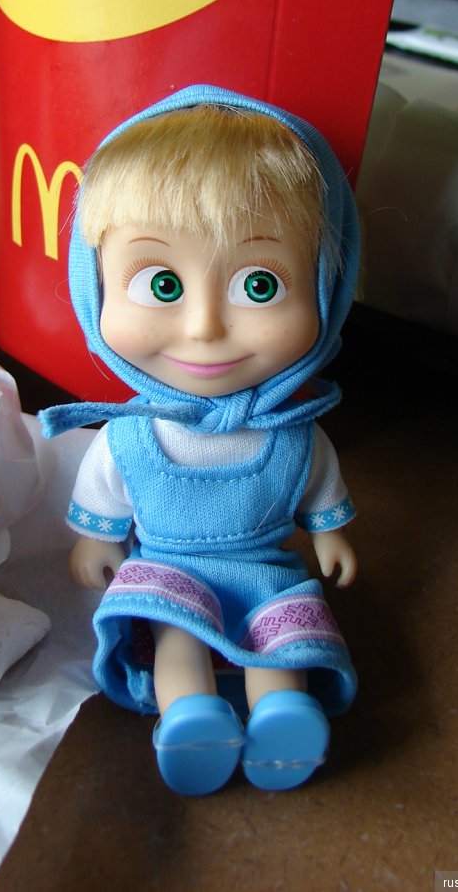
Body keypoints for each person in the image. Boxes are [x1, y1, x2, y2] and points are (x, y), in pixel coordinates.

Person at [41, 84, 360, 796]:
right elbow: (105, 493)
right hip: (170, 565)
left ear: (325, 288)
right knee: (176, 633)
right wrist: (97, 539)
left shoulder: (294, 432)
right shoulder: (129, 435)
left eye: (259, 285)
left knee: (278, 641)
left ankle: (282, 713)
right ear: (96, 287)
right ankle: (190, 715)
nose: (205, 326)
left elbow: (318, 486)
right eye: (162, 284)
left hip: (265, 566)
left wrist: (330, 531)